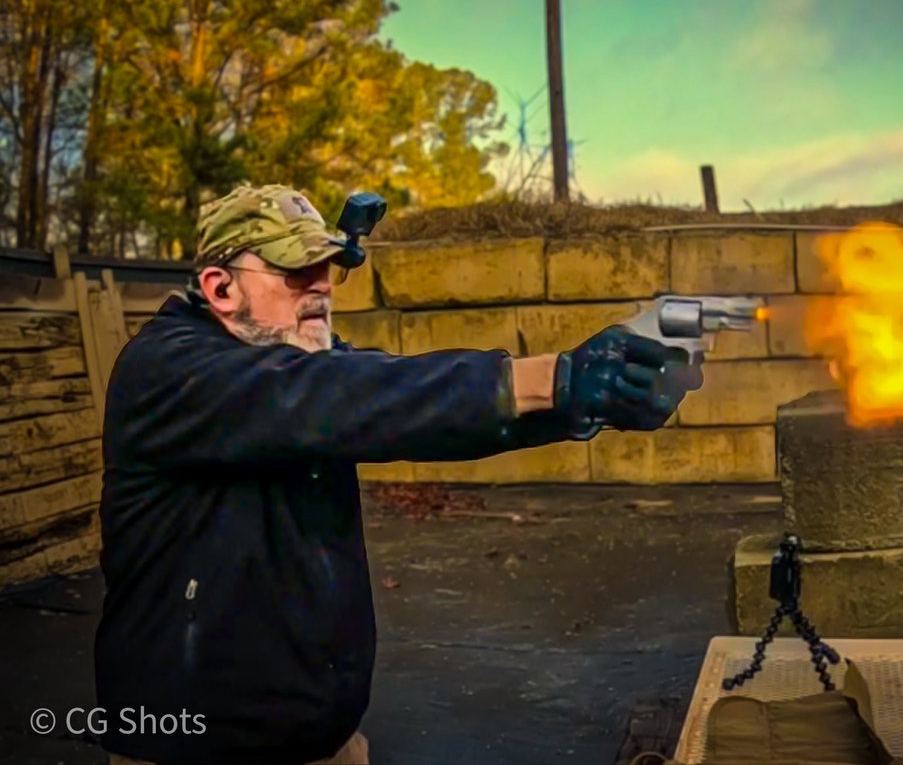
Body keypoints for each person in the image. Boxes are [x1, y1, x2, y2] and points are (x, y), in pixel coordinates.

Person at [93, 184, 703, 765]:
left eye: (328, 267)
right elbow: (348, 396)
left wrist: (583, 402)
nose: (322, 286)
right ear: (221, 288)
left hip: (321, 737)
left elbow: (417, 410)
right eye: (296, 272)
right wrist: (559, 377)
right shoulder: (169, 371)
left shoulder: (299, 361)